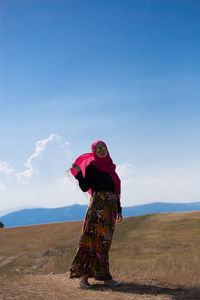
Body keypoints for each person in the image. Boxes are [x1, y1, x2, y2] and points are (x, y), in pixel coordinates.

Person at [68, 140, 123, 289]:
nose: (101, 150)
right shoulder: (92, 167)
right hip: (97, 209)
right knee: (92, 242)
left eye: (103, 147)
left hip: (110, 209)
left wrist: (118, 209)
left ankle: (105, 278)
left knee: (104, 244)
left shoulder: (111, 168)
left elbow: (115, 191)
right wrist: (79, 173)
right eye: (98, 149)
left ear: (107, 149)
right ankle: (84, 279)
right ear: (94, 152)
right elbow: (85, 187)